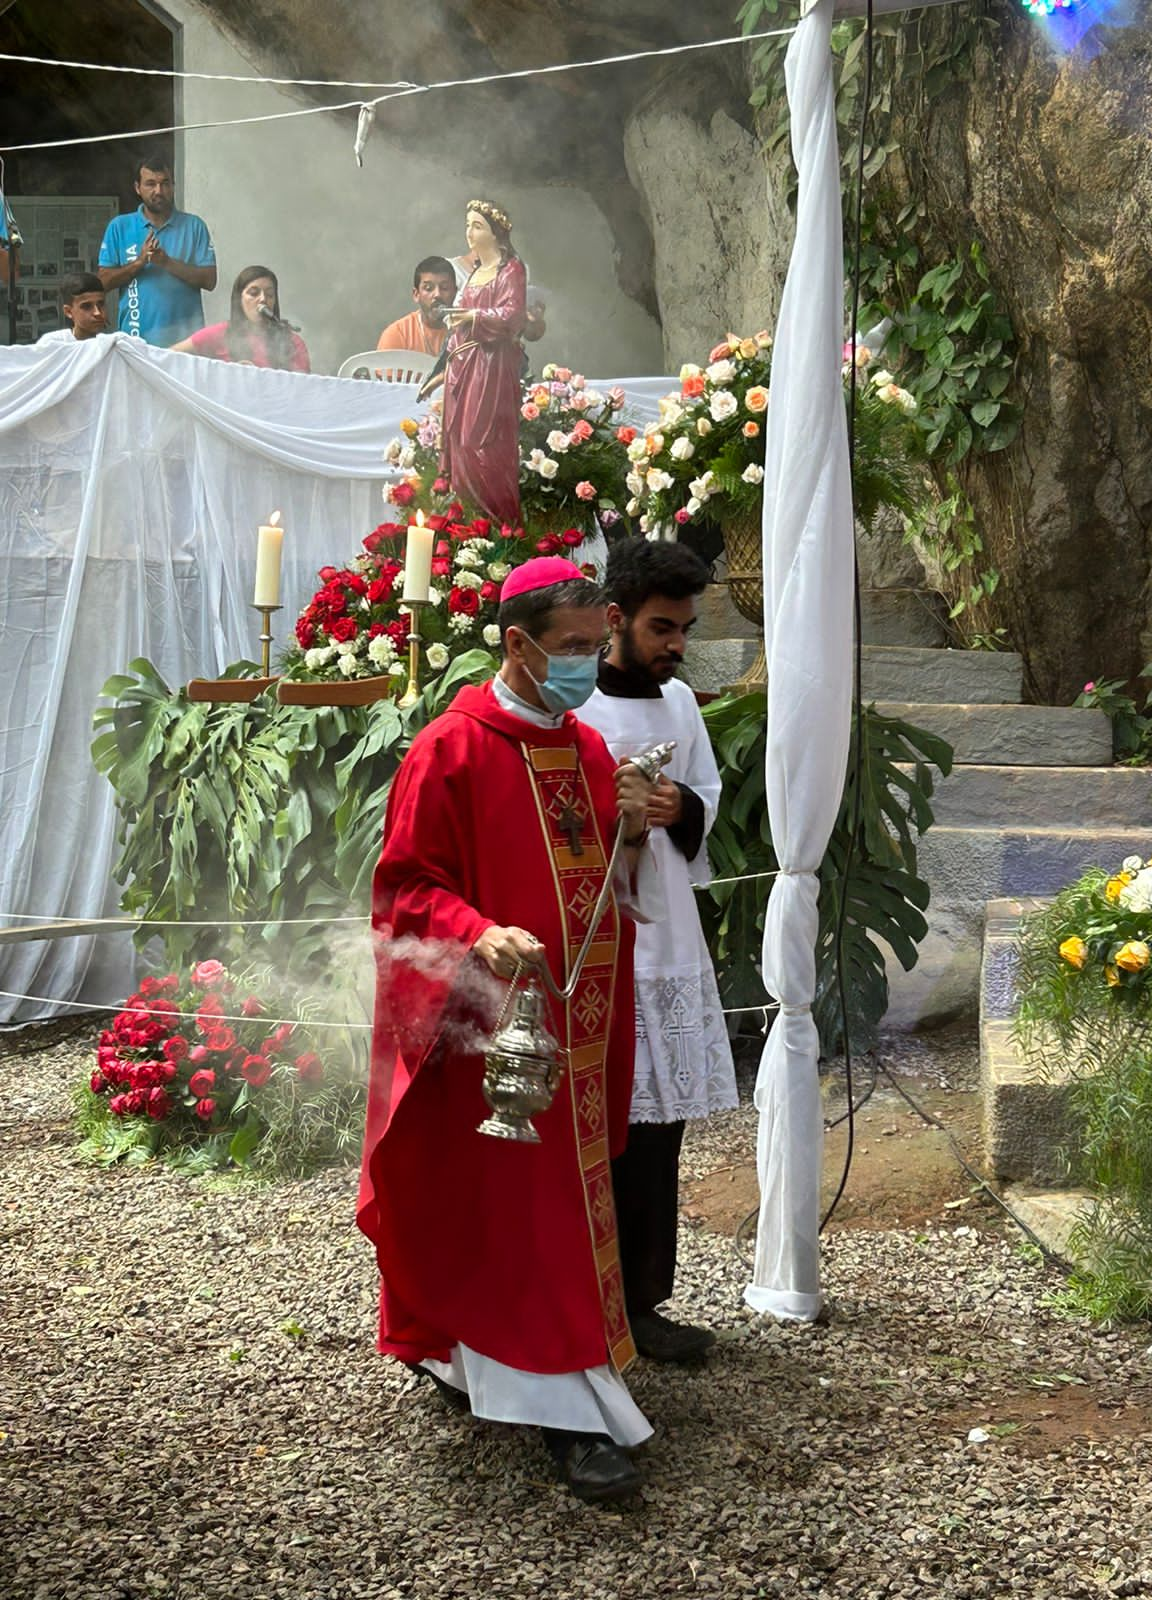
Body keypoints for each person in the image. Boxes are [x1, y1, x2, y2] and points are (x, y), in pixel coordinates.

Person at [358, 556, 664, 1505]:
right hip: (487, 1030)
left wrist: (639, 830)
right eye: (568, 650)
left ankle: (469, 1357)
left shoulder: (588, 749)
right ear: (516, 644)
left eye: (593, 647)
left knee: (552, 1210)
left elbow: (604, 876)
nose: (583, 666)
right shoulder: (450, 749)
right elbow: (405, 887)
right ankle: (566, 1414)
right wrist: (475, 933)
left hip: (580, 1020)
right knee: (518, 1212)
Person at [577, 537, 738, 1362]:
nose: (678, 644)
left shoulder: (681, 705)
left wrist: (680, 806)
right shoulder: (575, 709)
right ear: (615, 619)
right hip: (598, 942)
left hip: (667, 935)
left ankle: (643, 1303)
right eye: (662, 627)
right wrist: (620, 813)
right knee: (594, 1132)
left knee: (657, 1134)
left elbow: (707, 796)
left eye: (685, 628)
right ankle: (586, 1303)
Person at [439, 199, 527, 525]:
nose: (469, 232)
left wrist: (473, 316)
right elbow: (461, 313)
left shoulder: (510, 269)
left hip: (490, 367)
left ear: (496, 232)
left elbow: (512, 316)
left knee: (483, 444)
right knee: (461, 443)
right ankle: (469, 525)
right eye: (468, 225)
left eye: (477, 226)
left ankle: (497, 524)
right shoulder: (476, 272)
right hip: (463, 365)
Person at [97, 151, 216, 347]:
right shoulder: (119, 226)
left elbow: (210, 280)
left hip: (187, 345)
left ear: (173, 186)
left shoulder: (194, 226)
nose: (159, 191)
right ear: (137, 188)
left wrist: (166, 263)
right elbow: (102, 282)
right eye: (150, 184)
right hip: (135, 344)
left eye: (165, 183)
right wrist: (139, 263)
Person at [171, 265, 310, 372]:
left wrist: (260, 377)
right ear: (239, 299)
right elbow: (168, 357)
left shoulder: (292, 342)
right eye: (254, 293)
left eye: (269, 294)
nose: (263, 299)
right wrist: (230, 375)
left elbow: (304, 390)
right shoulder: (220, 333)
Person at [376, 255, 456, 356]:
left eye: (444, 288)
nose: (437, 294)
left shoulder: (468, 333)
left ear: (455, 292)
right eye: (428, 288)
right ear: (416, 294)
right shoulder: (397, 334)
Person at [38, 273, 109, 343]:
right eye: (87, 306)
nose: (97, 313)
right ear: (68, 311)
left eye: (101, 304)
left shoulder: (113, 345)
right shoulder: (53, 344)